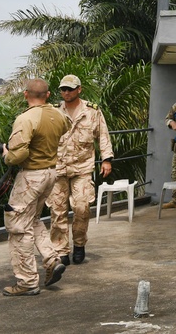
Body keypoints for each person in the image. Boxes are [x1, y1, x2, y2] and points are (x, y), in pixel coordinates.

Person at [0, 78, 71, 296]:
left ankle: (27, 282)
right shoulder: (60, 115)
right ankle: (51, 259)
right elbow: (65, 129)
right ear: (48, 95)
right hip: (51, 173)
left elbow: (18, 154)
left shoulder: (26, 118)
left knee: (18, 227)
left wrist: (6, 154)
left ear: (25, 94)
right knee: (33, 219)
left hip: (31, 177)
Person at [48, 75, 114, 266]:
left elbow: (103, 135)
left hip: (82, 167)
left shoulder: (92, 111)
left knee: (82, 207)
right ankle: (61, 250)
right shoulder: (54, 112)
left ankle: (79, 244)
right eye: (63, 89)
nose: (66, 93)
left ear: (79, 89)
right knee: (57, 211)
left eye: (70, 89)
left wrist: (106, 159)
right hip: (58, 168)